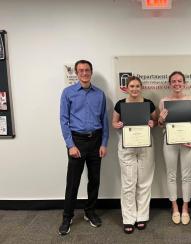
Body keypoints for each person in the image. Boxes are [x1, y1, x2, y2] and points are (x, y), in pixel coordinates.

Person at [59, 60, 109, 235]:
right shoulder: (68, 93)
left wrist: (104, 143)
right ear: (77, 73)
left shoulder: (100, 94)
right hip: (77, 142)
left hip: (95, 141)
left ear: (91, 72)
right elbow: (63, 120)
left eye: (87, 70)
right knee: (73, 182)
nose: (84, 73)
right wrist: (70, 145)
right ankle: (67, 216)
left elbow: (104, 121)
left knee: (94, 180)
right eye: (81, 70)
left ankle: (90, 212)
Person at [112, 76, 157, 234]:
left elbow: (156, 121)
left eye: (137, 86)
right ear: (126, 88)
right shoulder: (120, 104)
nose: (135, 89)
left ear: (141, 87)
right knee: (128, 183)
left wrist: (153, 123)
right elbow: (114, 123)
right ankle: (128, 218)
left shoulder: (148, 103)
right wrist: (117, 125)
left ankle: (142, 216)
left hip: (145, 145)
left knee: (144, 182)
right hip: (127, 146)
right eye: (132, 86)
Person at [158, 71, 191, 225]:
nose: (176, 84)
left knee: (186, 176)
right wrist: (161, 119)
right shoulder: (164, 101)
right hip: (170, 142)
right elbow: (161, 124)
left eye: (179, 81)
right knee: (171, 175)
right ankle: (175, 207)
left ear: (184, 83)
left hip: (188, 143)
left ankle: (185, 208)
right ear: (169, 84)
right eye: (173, 81)